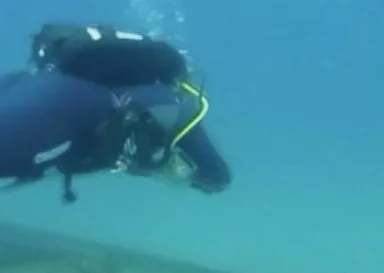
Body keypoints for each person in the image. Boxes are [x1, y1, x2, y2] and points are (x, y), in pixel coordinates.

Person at [0, 23, 231, 203]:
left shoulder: (74, 78)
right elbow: (217, 174)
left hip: (31, 98)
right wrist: (192, 177)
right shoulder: (168, 104)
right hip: (41, 126)